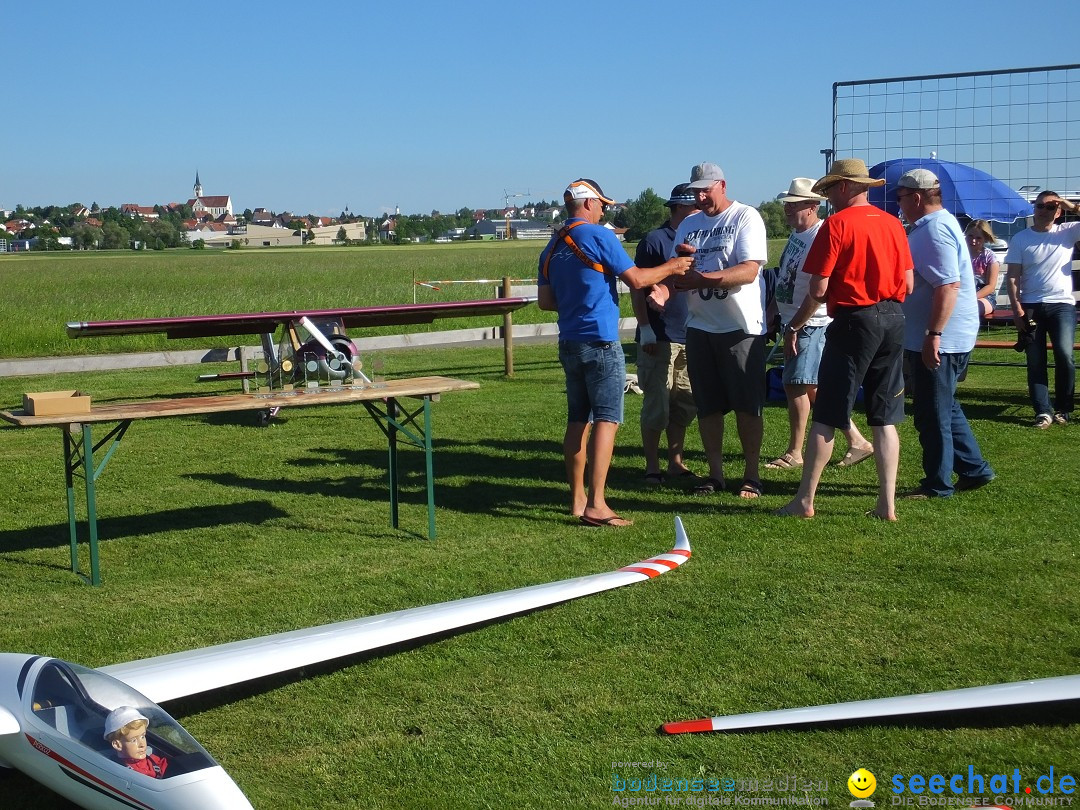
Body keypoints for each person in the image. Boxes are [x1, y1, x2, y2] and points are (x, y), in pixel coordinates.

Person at [537, 178, 692, 526]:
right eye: (603, 205)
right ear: (590, 203)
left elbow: (547, 302)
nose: (604, 211)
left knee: (578, 420)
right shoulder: (600, 236)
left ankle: (577, 500)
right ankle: (597, 505)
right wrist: (673, 267)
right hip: (602, 342)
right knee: (607, 420)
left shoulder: (551, 247)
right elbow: (636, 279)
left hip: (570, 342)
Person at [775, 158, 914, 521]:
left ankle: (804, 501)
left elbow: (818, 288)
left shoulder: (835, 225)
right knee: (884, 417)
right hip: (895, 317)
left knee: (828, 413)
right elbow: (909, 283)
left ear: (841, 187)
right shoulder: (893, 224)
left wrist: (795, 325)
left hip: (854, 321)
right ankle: (887, 505)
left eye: (829, 191)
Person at [668, 162, 769, 499]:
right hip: (699, 327)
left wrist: (703, 279)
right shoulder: (689, 224)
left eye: (706, 190)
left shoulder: (745, 217)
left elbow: (749, 270)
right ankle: (715, 474)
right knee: (708, 407)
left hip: (740, 328)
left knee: (746, 405)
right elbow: (676, 269)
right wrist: (665, 287)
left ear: (722, 185)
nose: (700, 196)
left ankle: (751, 475)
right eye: (695, 190)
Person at [895, 169, 995, 498]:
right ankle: (974, 469)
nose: (899, 204)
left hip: (943, 336)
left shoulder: (933, 230)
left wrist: (933, 334)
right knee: (946, 405)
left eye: (900, 198)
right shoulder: (940, 223)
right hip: (949, 333)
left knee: (932, 412)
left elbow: (949, 285)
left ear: (917, 197)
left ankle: (938, 484)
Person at [768, 177, 874, 472]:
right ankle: (857, 440)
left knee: (797, 386)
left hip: (810, 323)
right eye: (787, 204)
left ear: (813, 206)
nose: (787, 209)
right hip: (795, 321)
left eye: (795, 204)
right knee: (811, 388)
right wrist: (774, 309)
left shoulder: (819, 235)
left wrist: (796, 326)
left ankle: (795, 452)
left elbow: (819, 289)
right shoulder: (796, 235)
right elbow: (788, 279)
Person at [631, 183, 699, 485]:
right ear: (681, 209)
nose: (699, 210)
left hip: (691, 334)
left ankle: (675, 462)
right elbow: (637, 287)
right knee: (657, 404)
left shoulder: (697, 239)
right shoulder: (655, 241)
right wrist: (645, 328)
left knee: (683, 403)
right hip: (659, 337)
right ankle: (651, 466)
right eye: (694, 206)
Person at [1005, 190, 1080, 427]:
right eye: (1040, 206)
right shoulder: (1021, 238)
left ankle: (1063, 409)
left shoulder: (1068, 232)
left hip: (1062, 304)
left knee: (1065, 355)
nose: (1043, 210)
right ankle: (1043, 411)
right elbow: (1013, 278)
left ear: (1058, 212)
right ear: (1033, 208)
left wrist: (1072, 206)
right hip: (1030, 306)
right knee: (1035, 360)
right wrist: (1017, 310)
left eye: (1050, 207)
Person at [103, 706, 168, 778]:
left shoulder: (153, 761)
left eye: (142, 736)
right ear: (117, 745)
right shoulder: (120, 773)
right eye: (134, 740)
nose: (142, 744)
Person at [964, 219, 1000, 319]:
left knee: (971, 309)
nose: (973, 240)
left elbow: (990, 286)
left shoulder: (990, 257)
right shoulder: (960, 255)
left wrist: (972, 298)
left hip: (984, 296)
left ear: (985, 239)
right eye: (970, 236)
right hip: (963, 293)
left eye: (978, 238)